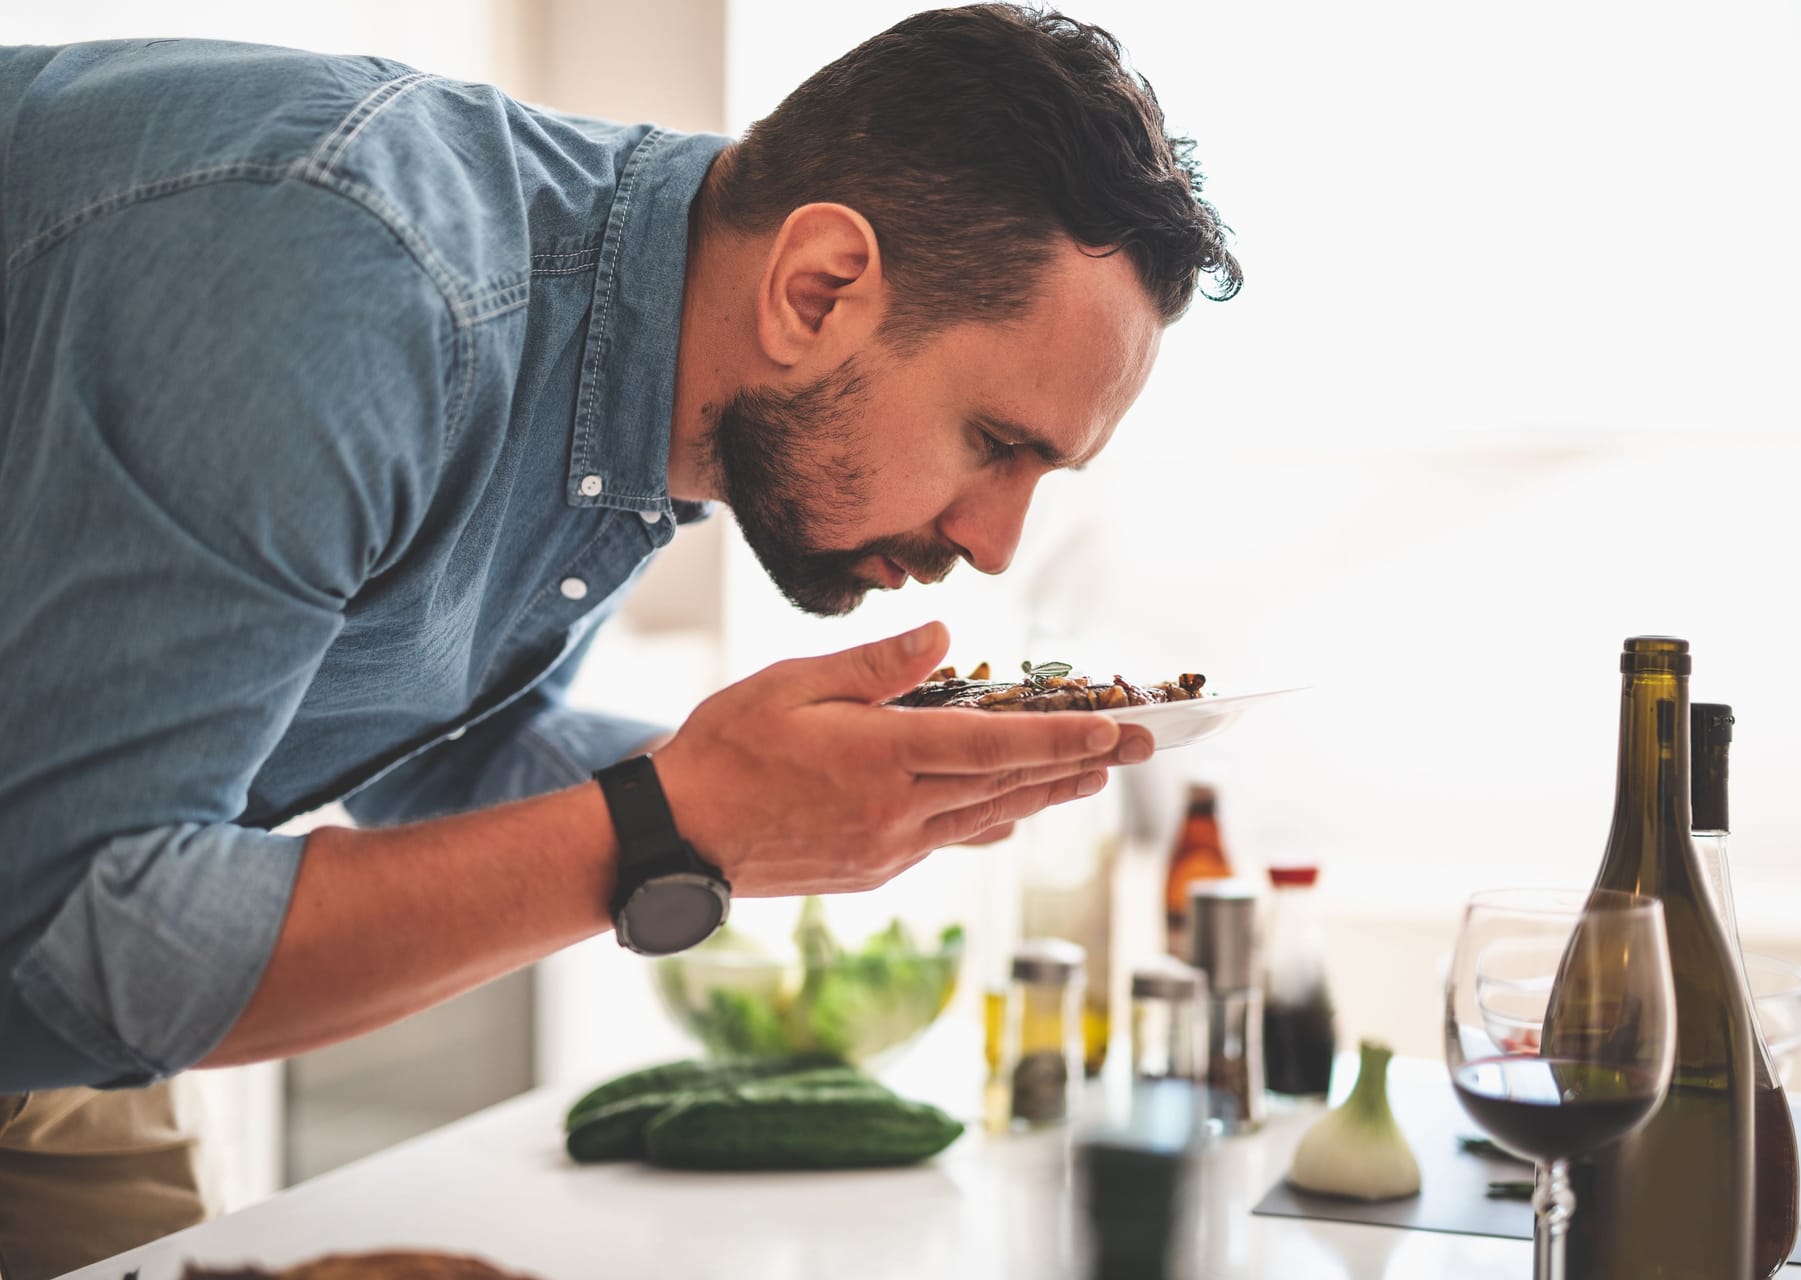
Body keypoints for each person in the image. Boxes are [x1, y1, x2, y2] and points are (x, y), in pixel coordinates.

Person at [0, 4, 1240, 1273]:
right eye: (994, 442)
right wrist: (679, 823)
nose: (995, 544)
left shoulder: (645, 365)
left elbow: (449, 735)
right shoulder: (356, 281)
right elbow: (59, 930)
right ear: (818, 289)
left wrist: (800, 791)